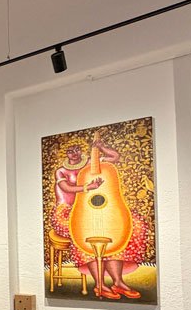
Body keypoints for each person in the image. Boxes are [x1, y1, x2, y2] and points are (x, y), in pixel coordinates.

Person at [51, 129, 147, 300]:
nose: (74, 153)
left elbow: (115, 157)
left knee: (125, 227)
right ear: (65, 153)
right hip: (67, 211)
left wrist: (101, 147)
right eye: (70, 151)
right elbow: (66, 188)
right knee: (84, 233)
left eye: (76, 149)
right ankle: (99, 284)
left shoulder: (91, 163)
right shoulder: (61, 170)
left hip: (91, 208)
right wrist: (88, 187)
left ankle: (118, 282)